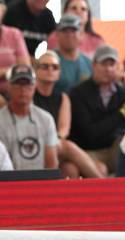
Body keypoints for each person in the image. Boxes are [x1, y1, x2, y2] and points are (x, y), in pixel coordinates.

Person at [69, 44, 125, 174]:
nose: (108, 69)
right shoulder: (78, 93)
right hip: (88, 151)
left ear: (117, 68)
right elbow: (90, 134)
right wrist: (120, 115)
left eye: (112, 65)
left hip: (113, 150)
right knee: (101, 168)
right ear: (94, 65)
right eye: (103, 64)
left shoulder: (122, 93)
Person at [34, 50, 105, 178]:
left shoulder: (63, 98)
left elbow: (64, 130)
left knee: (73, 170)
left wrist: (54, 140)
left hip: (57, 146)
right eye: (45, 66)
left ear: (59, 73)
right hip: (37, 144)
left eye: (54, 67)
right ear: (36, 70)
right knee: (68, 146)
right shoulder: (29, 96)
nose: (50, 70)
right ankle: (108, 189)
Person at [0, 64, 58, 170]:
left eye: (27, 85)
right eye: (17, 85)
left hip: (41, 181)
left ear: (34, 87)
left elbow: (52, 163)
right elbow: (1, 163)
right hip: (11, 182)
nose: (23, 90)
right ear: (8, 87)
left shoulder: (46, 119)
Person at [52, 13, 92, 94]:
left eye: (73, 30)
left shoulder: (89, 63)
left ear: (81, 34)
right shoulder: (49, 62)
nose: (69, 35)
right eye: (65, 31)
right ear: (57, 34)